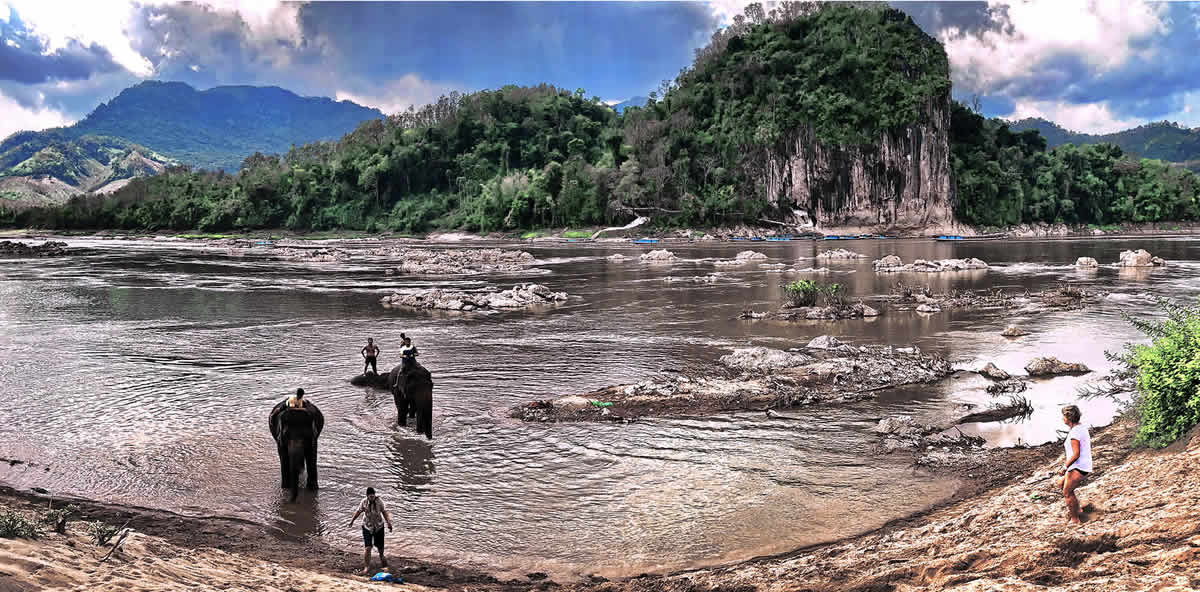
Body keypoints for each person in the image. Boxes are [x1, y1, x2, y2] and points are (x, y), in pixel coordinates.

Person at [1060, 405, 1092, 525]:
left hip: (1078, 467)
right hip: (1083, 465)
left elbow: (1076, 454)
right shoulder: (1080, 427)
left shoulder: (1075, 433)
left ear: (1068, 418)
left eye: (1063, 416)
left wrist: (1064, 467)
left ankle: (1075, 519)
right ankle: (1078, 509)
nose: (1062, 419)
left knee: (1067, 493)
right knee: (1061, 483)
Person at [349, 487, 393, 574]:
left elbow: (384, 512)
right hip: (367, 526)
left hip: (379, 526)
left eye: (373, 496)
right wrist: (352, 521)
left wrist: (389, 523)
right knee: (368, 547)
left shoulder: (379, 501)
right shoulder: (364, 502)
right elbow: (358, 512)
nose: (372, 498)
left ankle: (384, 565)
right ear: (367, 496)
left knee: (380, 549)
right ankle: (366, 567)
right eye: (370, 496)